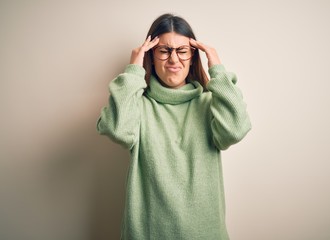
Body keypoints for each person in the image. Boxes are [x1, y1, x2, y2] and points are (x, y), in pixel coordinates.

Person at [97, 13, 251, 240]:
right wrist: (133, 71)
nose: (173, 59)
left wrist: (216, 66)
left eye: (182, 51)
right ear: (151, 55)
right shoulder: (137, 106)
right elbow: (118, 130)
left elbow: (237, 128)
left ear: (192, 56)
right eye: (164, 51)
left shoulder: (210, 104)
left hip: (205, 233)